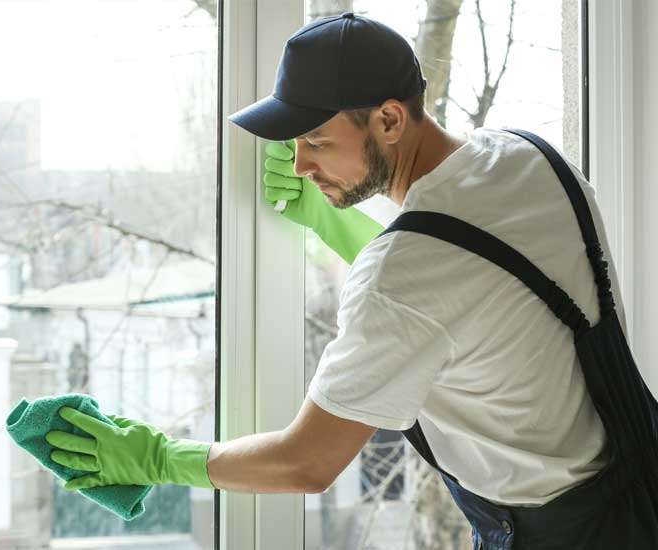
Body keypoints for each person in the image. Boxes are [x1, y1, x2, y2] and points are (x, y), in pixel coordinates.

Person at [43, 13, 658, 549]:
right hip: (638, 485)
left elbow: (306, 462)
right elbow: (463, 291)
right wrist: (338, 226)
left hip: (558, 533)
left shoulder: (405, 273)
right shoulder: (527, 157)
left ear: (389, 118)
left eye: (316, 141)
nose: (303, 164)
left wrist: (158, 460)